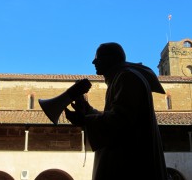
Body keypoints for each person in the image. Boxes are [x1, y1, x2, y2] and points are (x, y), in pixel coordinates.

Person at [65, 42, 169, 180]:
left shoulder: (127, 77)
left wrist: (83, 120)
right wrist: (88, 110)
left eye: (98, 57)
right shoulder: (121, 77)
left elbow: (121, 122)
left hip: (129, 166)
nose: (93, 61)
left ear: (111, 58)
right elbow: (117, 117)